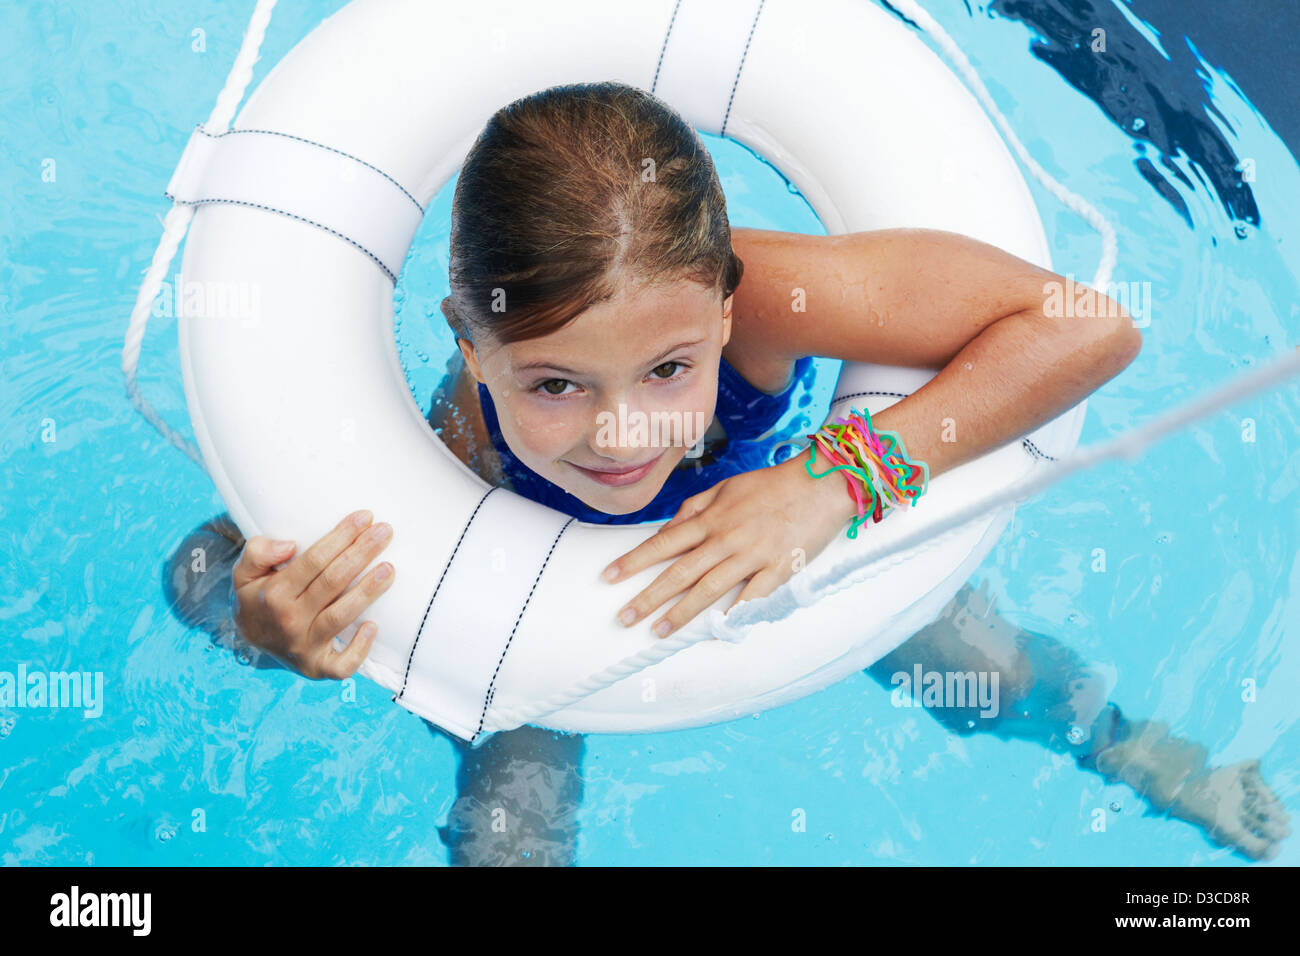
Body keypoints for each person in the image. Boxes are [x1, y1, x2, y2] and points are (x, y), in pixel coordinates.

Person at [164, 80, 1289, 863]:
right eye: (553, 384)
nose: (620, 434)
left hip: (789, 528)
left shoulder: (773, 294)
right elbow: (204, 571)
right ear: (472, 344)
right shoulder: (444, 446)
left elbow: (1084, 326)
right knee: (511, 827)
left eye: (667, 367)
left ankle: (1143, 753)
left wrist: (827, 485)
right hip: (539, 608)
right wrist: (268, 633)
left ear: (723, 300)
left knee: (984, 667)